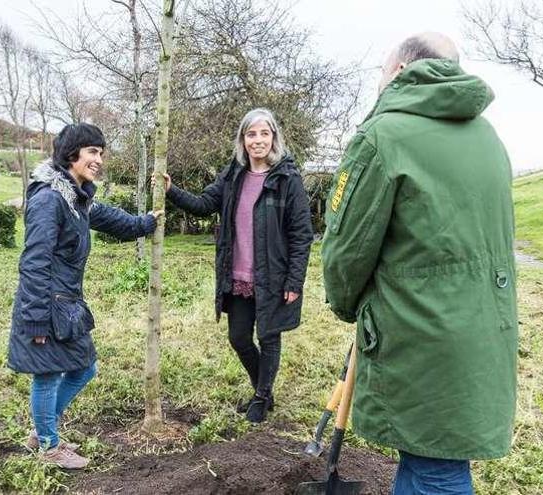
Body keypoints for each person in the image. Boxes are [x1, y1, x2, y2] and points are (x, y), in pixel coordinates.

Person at [321, 33, 518, 494]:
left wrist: (347, 305)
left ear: (401, 71)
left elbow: (346, 248)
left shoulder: (383, 136)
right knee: (428, 460)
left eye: (381, 72)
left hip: (422, 333)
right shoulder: (487, 136)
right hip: (484, 331)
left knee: (436, 473)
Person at [7, 123, 160, 469]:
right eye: (92, 151)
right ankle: (48, 446)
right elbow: (34, 262)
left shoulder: (76, 197)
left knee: (84, 369)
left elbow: (110, 218)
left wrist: (145, 223)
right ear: (71, 153)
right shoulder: (49, 199)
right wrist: (35, 318)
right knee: (47, 374)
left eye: (101, 153)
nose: (99, 159)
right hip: (46, 304)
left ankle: (43, 429)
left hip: (67, 303)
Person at [156, 108, 313, 423]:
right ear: (243, 140)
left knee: (269, 335)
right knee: (239, 337)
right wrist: (171, 190)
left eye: (264, 133)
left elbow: (301, 235)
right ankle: (263, 392)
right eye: (251, 134)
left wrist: (294, 282)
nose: (257, 140)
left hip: (273, 276)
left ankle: (261, 396)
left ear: (274, 138)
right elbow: (203, 205)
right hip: (238, 276)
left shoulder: (287, 179)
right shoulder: (233, 176)